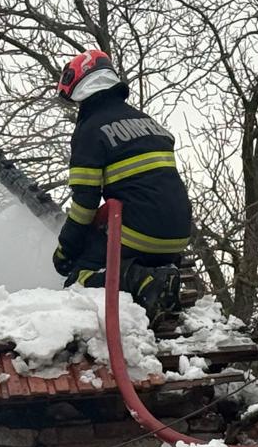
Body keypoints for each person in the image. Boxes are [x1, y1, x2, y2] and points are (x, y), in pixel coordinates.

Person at [51, 48, 193, 317]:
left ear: (79, 85)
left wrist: (66, 249)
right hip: (178, 237)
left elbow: (85, 204)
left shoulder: (91, 131)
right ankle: (155, 279)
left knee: (79, 276)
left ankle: (141, 280)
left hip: (140, 235)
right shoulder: (148, 123)